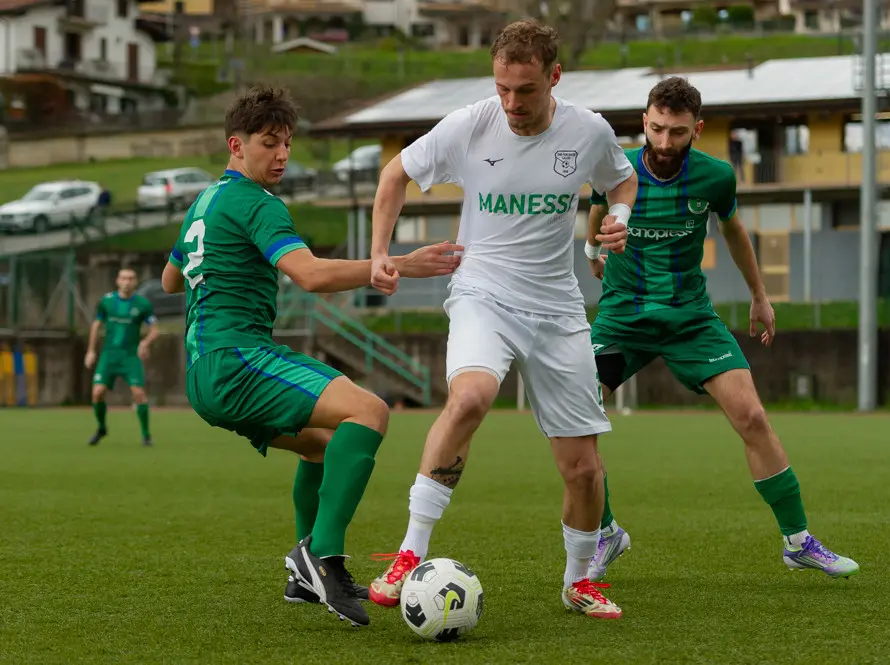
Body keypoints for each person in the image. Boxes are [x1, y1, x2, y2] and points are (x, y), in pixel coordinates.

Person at [159, 85, 463, 628]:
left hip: (203, 371)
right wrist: (389, 264)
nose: (280, 155)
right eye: (268, 142)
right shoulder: (255, 203)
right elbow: (311, 274)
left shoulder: (204, 201)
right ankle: (322, 557)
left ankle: (304, 576)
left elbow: (170, 276)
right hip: (237, 358)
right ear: (237, 144)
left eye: (287, 143)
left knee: (322, 444)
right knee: (370, 411)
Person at [366, 18, 638, 620]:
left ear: (555, 78)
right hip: (482, 293)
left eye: (527, 91)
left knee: (584, 470)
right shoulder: (471, 124)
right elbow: (394, 175)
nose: (512, 104)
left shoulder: (587, 131)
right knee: (470, 399)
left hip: (558, 308)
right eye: (503, 89)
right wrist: (382, 254)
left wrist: (618, 215)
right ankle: (411, 553)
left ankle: (579, 581)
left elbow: (623, 179)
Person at [585, 76, 860, 582]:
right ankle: (606, 533)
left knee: (752, 416)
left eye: (678, 133)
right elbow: (597, 208)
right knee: (578, 420)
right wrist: (592, 251)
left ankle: (798, 541)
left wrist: (760, 294)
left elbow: (734, 231)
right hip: (623, 316)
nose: (665, 143)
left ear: (698, 130)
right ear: (644, 121)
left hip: (691, 318)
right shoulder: (614, 165)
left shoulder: (715, 177)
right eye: (658, 129)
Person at [85, 268, 159, 447]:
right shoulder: (107, 301)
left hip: (130, 356)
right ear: (117, 280)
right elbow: (96, 326)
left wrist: (145, 343)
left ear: (135, 282)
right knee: (97, 393)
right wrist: (91, 351)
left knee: (139, 394)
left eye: (131, 278)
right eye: (123, 278)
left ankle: (146, 435)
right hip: (109, 355)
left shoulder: (143, 304)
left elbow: (155, 330)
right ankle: (102, 428)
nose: (127, 281)